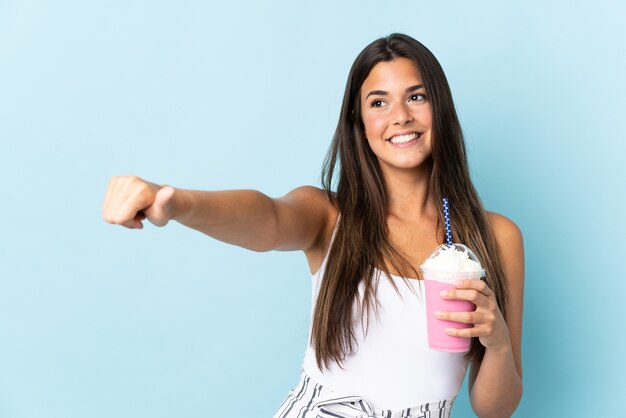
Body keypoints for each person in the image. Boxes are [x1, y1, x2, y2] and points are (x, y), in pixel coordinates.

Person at [102, 33, 523, 418]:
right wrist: (175, 202)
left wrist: (498, 342)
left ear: (440, 108)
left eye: (416, 97)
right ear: (359, 124)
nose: (400, 116)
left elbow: (494, 409)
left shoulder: (495, 239)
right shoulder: (329, 217)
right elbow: (267, 217)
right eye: (378, 102)